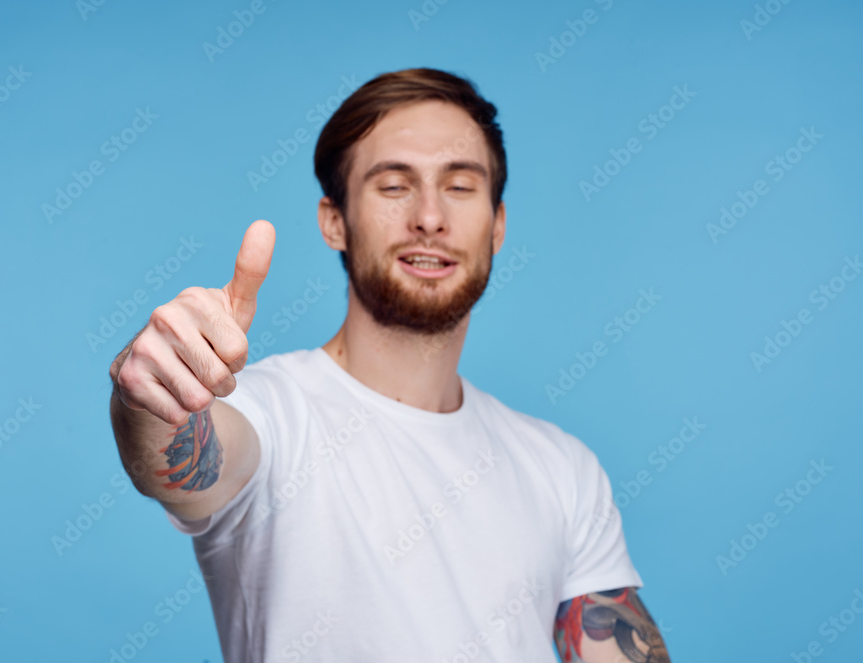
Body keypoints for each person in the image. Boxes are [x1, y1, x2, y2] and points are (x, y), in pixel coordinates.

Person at [108, 67, 670, 663]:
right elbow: (180, 459)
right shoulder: (270, 413)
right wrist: (151, 394)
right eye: (394, 186)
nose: (430, 217)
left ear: (498, 224)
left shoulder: (564, 470)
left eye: (459, 186)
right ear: (334, 222)